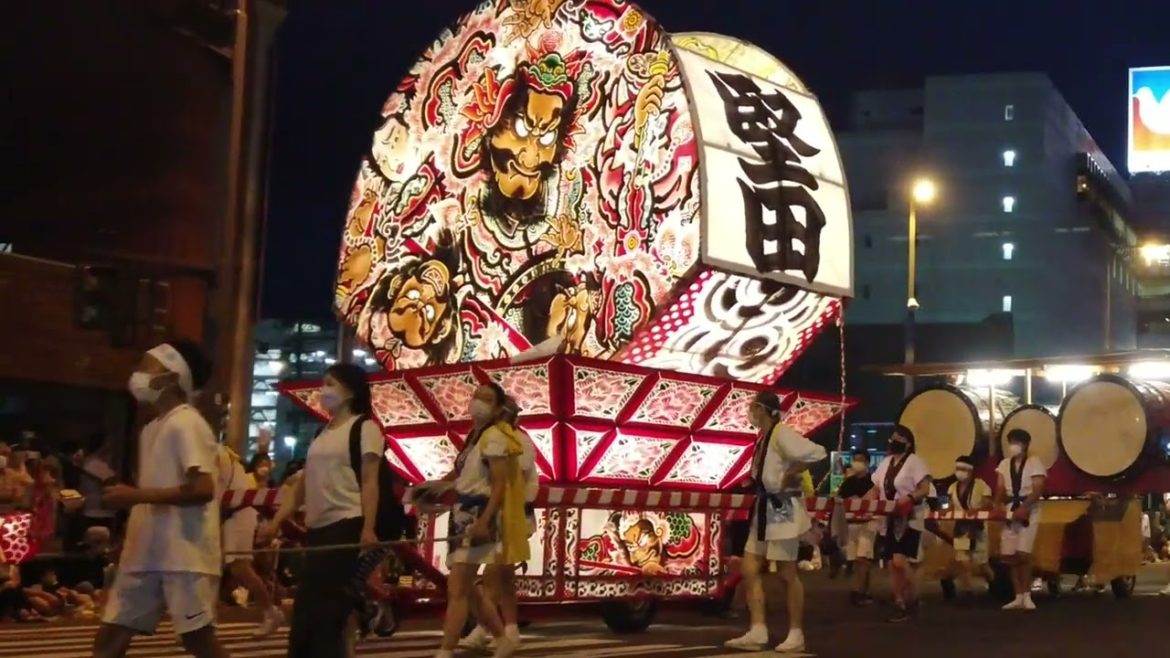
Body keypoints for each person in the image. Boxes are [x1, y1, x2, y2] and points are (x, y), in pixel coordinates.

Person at [90, 340, 229, 658]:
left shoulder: (186, 422)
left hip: (184, 554)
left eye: (145, 366)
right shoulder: (152, 428)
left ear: (170, 376)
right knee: (110, 637)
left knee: (199, 641)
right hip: (144, 553)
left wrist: (135, 496)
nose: (136, 374)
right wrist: (127, 535)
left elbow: (203, 489)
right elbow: (154, 491)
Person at [260, 363, 382, 658]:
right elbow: (301, 485)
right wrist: (277, 522)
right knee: (308, 610)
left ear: (350, 391)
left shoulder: (364, 428)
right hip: (317, 530)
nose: (323, 390)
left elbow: (369, 481)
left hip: (346, 524)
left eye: (330, 383)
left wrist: (368, 527)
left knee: (324, 612)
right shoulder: (321, 433)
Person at [725, 391, 826, 653]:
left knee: (786, 573)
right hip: (764, 507)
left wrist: (793, 471)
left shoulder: (782, 434)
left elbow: (817, 452)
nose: (751, 413)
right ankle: (758, 630)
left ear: (763, 409)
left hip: (782, 509)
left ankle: (796, 633)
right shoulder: (765, 438)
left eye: (753, 408)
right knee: (749, 567)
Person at [432, 383, 521, 658]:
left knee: (458, 586)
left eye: (487, 399)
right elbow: (461, 476)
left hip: (477, 515)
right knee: (467, 588)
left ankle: (446, 650)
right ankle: (500, 637)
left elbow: (499, 485)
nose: (478, 402)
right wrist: (434, 487)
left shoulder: (495, 437)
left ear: (496, 409)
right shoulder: (474, 437)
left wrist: (484, 520)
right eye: (476, 396)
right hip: (461, 515)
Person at [461, 396, 539, 655]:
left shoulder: (519, 441)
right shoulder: (485, 438)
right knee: (504, 576)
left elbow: (514, 476)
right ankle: (511, 628)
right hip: (498, 514)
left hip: (513, 516)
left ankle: (484, 628)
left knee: (494, 572)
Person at [216, 444, 284, 636]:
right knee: (214, 567)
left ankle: (270, 611)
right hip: (231, 514)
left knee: (240, 567)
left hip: (237, 514)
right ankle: (200, 619)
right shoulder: (221, 454)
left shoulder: (216, 454)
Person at [868, 425, 931, 623]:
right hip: (888, 517)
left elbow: (925, 488)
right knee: (891, 564)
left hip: (908, 516)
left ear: (908, 442)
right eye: (892, 438)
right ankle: (900, 602)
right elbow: (876, 488)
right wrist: (866, 501)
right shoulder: (886, 463)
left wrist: (910, 498)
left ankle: (914, 597)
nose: (892, 441)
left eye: (897, 438)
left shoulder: (915, 462)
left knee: (899, 561)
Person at [996, 428, 1047, 610]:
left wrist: (1024, 507)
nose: (1012, 446)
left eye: (1016, 442)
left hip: (1028, 509)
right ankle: (1017, 595)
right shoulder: (1004, 464)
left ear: (1025, 445)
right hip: (1010, 509)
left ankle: (1027, 595)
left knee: (1023, 554)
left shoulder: (1034, 463)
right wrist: (998, 505)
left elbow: (1038, 489)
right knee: (1009, 556)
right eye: (1010, 442)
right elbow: (1000, 488)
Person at [946, 456, 993, 597]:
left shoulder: (981, 485)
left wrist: (976, 511)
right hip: (961, 528)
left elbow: (988, 503)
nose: (959, 472)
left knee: (982, 564)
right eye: (957, 469)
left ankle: (995, 584)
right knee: (963, 561)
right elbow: (951, 506)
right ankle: (967, 591)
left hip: (978, 527)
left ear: (971, 471)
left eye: (963, 469)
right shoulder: (952, 487)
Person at [837, 449, 876, 605]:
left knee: (863, 558)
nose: (857, 463)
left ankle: (857, 591)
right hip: (851, 525)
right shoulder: (848, 482)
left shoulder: (873, 482)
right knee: (856, 560)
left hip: (868, 524)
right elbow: (840, 500)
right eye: (855, 459)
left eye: (860, 459)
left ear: (867, 462)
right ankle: (863, 590)